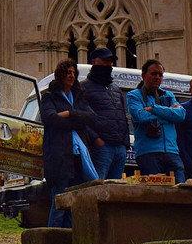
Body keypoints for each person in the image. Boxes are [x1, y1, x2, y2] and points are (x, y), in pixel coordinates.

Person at [40, 59, 98, 228]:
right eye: (68, 72)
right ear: (60, 75)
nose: (71, 76)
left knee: (74, 204)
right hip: (59, 156)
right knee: (59, 203)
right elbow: (50, 119)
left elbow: (92, 117)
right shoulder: (49, 97)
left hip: (79, 157)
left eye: (73, 72)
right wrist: (76, 120)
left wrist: (69, 113)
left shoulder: (79, 97)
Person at [126, 59, 186, 183]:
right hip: (148, 153)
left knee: (180, 192)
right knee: (156, 192)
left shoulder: (168, 95)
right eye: (153, 74)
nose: (157, 77)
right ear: (143, 75)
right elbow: (139, 116)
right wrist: (169, 114)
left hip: (172, 151)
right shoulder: (133, 95)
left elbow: (181, 115)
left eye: (160, 74)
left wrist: (154, 109)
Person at [80, 47, 130, 180]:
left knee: (115, 189)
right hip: (102, 147)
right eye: (105, 60)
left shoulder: (115, 89)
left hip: (119, 147)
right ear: (94, 62)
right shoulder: (83, 87)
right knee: (97, 185)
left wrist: (124, 143)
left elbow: (123, 116)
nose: (109, 64)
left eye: (110, 61)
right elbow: (80, 118)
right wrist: (96, 139)